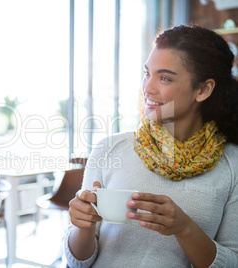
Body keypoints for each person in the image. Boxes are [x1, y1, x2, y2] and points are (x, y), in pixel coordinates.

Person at [64, 24, 238, 267]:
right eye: (147, 73)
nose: (147, 88)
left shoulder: (232, 166)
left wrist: (185, 228)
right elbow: (77, 262)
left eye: (164, 77)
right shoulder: (109, 149)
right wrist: (83, 226)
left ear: (203, 89)